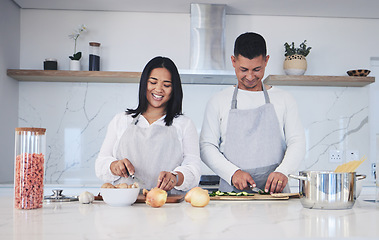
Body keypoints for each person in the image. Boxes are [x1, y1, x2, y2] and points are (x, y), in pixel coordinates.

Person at [200, 32, 306, 193]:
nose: (250, 76)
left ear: (266, 61)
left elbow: (297, 141)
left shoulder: (284, 99)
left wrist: (283, 171)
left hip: (275, 196)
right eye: (243, 69)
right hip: (232, 195)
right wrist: (233, 173)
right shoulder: (218, 101)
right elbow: (206, 146)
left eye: (257, 69)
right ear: (233, 61)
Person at [95, 56, 201, 193]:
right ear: (144, 83)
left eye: (166, 85)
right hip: (125, 209)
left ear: (174, 89)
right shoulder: (121, 120)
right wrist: (114, 166)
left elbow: (194, 169)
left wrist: (176, 177)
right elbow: (100, 164)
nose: (159, 89)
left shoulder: (184, 124)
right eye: (153, 82)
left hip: (168, 209)